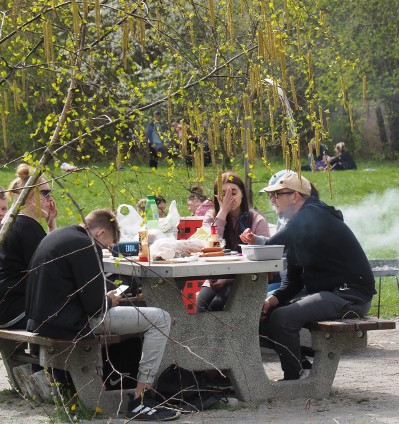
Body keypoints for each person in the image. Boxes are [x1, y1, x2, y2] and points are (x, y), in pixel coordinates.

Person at [25, 209, 179, 421]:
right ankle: (141, 399)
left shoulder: (58, 235)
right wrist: (110, 299)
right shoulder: (87, 245)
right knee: (161, 318)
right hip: (69, 323)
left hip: (40, 320)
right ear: (100, 233)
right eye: (108, 244)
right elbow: (94, 307)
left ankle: (114, 388)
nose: (106, 248)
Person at [245, 171, 375, 381]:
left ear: (295, 196)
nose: (272, 200)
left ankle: (294, 379)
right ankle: (301, 369)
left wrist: (256, 245)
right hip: (329, 294)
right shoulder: (301, 227)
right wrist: (273, 298)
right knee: (259, 316)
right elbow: (293, 281)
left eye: (277, 195)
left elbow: (273, 246)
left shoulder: (313, 213)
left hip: (349, 296)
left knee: (282, 317)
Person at [197, 172, 270, 311]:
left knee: (218, 305)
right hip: (215, 276)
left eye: (234, 192)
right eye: (224, 194)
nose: (229, 198)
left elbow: (263, 263)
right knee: (201, 307)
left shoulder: (257, 220)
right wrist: (223, 212)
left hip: (246, 279)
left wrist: (228, 279)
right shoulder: (211, 217)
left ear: (242, 193)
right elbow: (209, 245)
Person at [0, 165, 57, 329]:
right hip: (15, 309)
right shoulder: (27, 227)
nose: (50, 199)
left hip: (7, 306)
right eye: (45, 193)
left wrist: (51, 223)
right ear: (31, 196)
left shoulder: (11, 223)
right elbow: (52, 270)